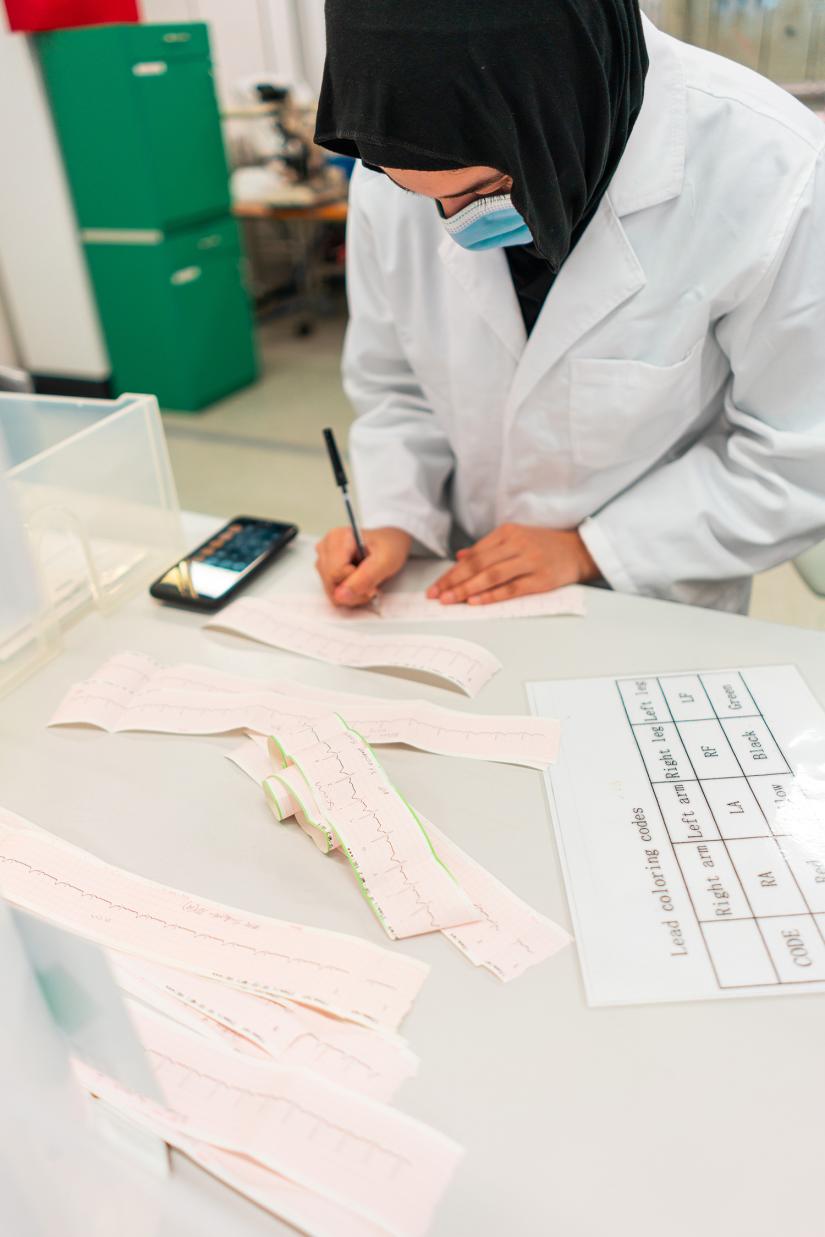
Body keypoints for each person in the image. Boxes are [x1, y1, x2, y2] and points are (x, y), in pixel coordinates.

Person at [313, 0, 825, 613]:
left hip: (649, 594)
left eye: (487, 189)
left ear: (562, 102)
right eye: (414, 191)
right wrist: (398, 518)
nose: (454, 226)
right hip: (464, 577)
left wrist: (592, 550)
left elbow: (801, 456)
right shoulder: (393, 153)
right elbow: (396, 387)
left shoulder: (772, 169)